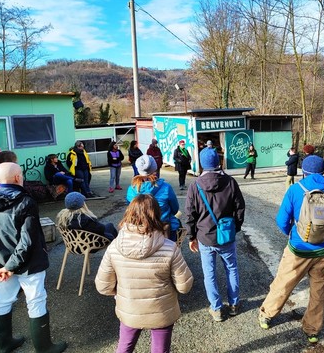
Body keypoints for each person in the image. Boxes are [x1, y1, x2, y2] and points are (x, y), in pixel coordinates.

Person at [258, 155, 324, 344]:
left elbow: (282, 221)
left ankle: (267, 316)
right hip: (323, 252)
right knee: (318, 292)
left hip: (298, 250)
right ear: (323, 170)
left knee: (283, 284)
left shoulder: (295, 190)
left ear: (304, 171)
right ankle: (312, 330)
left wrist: (292, 234)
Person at [95, 194, 193, 353]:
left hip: (129, 309)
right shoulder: (169, 247)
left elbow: (103, 286)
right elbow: (185, 286)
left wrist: (122, 292)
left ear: (129, 213)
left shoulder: (114, 247)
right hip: (162, 311)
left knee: (124, 347)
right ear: (157, 214)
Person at [0, 162, 67, 353]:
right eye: (22, 175)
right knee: (35, 301)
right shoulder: (25, 202)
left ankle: (4, 344)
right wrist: (10, 266)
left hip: (0, 266)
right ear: (18, 178)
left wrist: (3, 267)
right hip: (28, 264)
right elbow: (27, 241)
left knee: (1, 301)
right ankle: (44, 348)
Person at [185, 147, 245, 322]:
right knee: (231, 269)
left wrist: (191, 236)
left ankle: (217, 309)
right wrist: (236, 227)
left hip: (204, 237)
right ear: (218, 162)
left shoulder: (195, 185)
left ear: (203, 164)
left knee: (209, 273)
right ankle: (234, 304)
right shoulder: (230, 182)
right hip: (226, 235)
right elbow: (240, 208)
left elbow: (190, 214)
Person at [127, 155, 182, 241]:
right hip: (164, 229)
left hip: (140, 230)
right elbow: (175, 209)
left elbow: (131, 211)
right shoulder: (166, 187)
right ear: (155, 169)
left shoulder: (131, 189)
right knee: (176, 223)